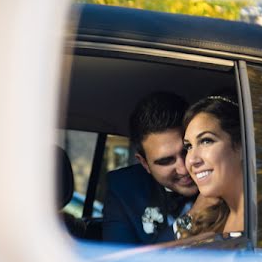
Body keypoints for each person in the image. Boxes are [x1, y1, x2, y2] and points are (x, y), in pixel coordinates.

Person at [101, 91, 200, 244]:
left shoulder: (227, 178)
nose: (184, 169)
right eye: (166, 161)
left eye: (187, 150)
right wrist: (195, 215)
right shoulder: (124, 189)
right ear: (144, 163)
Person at [176, 93, 244, 239]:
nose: (191, 160)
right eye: (188, 147)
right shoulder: (210, 220)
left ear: (241, 145)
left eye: (206, 141)